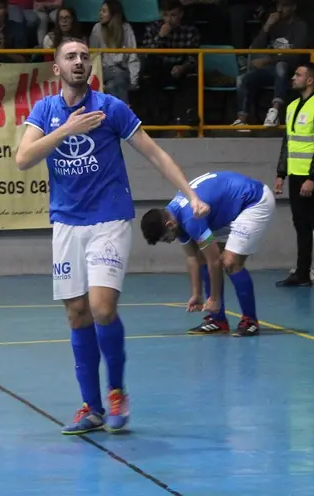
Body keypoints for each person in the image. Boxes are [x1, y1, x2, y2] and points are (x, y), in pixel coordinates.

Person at [15, 36, 209, 435]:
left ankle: (117, 391)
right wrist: (67, 130)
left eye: (85, 57)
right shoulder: (45, 110)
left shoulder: (110, 108)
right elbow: (24, 158)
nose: (79, 62)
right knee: (76, 314)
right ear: (57, 69)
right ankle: (91, 406)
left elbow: (154, 152)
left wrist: (190, 194)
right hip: (67, 222)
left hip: (109, 218)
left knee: (102, 308)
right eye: (71, 57)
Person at [139, 171, 275, 338]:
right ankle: (218, 321)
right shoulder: (174, 217)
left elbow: (215, 261)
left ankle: (250, 320)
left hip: (254, 201)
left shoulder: (190, 218)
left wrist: (214, 298)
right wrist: (197, 295)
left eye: (165, 238)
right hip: (230, 206)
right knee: (202, 255)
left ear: (169, 225)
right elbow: (192, 257)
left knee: (230, 262)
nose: (168, 241)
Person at [274, 62, 314, 292]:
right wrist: (281, 173)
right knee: (300, 224)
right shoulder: (291, 107)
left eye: (298, 75)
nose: (293, 78)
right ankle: (302, 273)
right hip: (295, 175)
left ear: (309, 80)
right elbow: (288, 143)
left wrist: (313, 177)